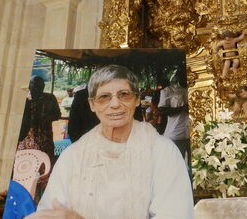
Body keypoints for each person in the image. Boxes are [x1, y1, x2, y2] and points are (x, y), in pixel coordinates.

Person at [31, 65, 194, 219]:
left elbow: (175, 213)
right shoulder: (73, 156)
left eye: (124, 94)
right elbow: (50, 211)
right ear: (92, 104)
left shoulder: (162, 152)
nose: (115, 104)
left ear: (137, 100)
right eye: (104, 97)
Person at [17, 76, 61, 161]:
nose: (38, 89)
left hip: (45, 140)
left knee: (45, 164)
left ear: (43, 86)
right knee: (26, 165)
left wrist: (47, 118)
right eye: (35, 86)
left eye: (40, 86)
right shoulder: (24, 100)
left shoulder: (50, 98)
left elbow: (57, 114)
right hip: (27, 142)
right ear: (29, 86)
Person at [158, 75, 191, 169]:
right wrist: (181, 109)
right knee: (176, 165)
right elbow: (162, 110)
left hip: (193, 132)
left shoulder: (195, 87)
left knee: (194, 166)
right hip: (176, 133)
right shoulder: (169, 91)